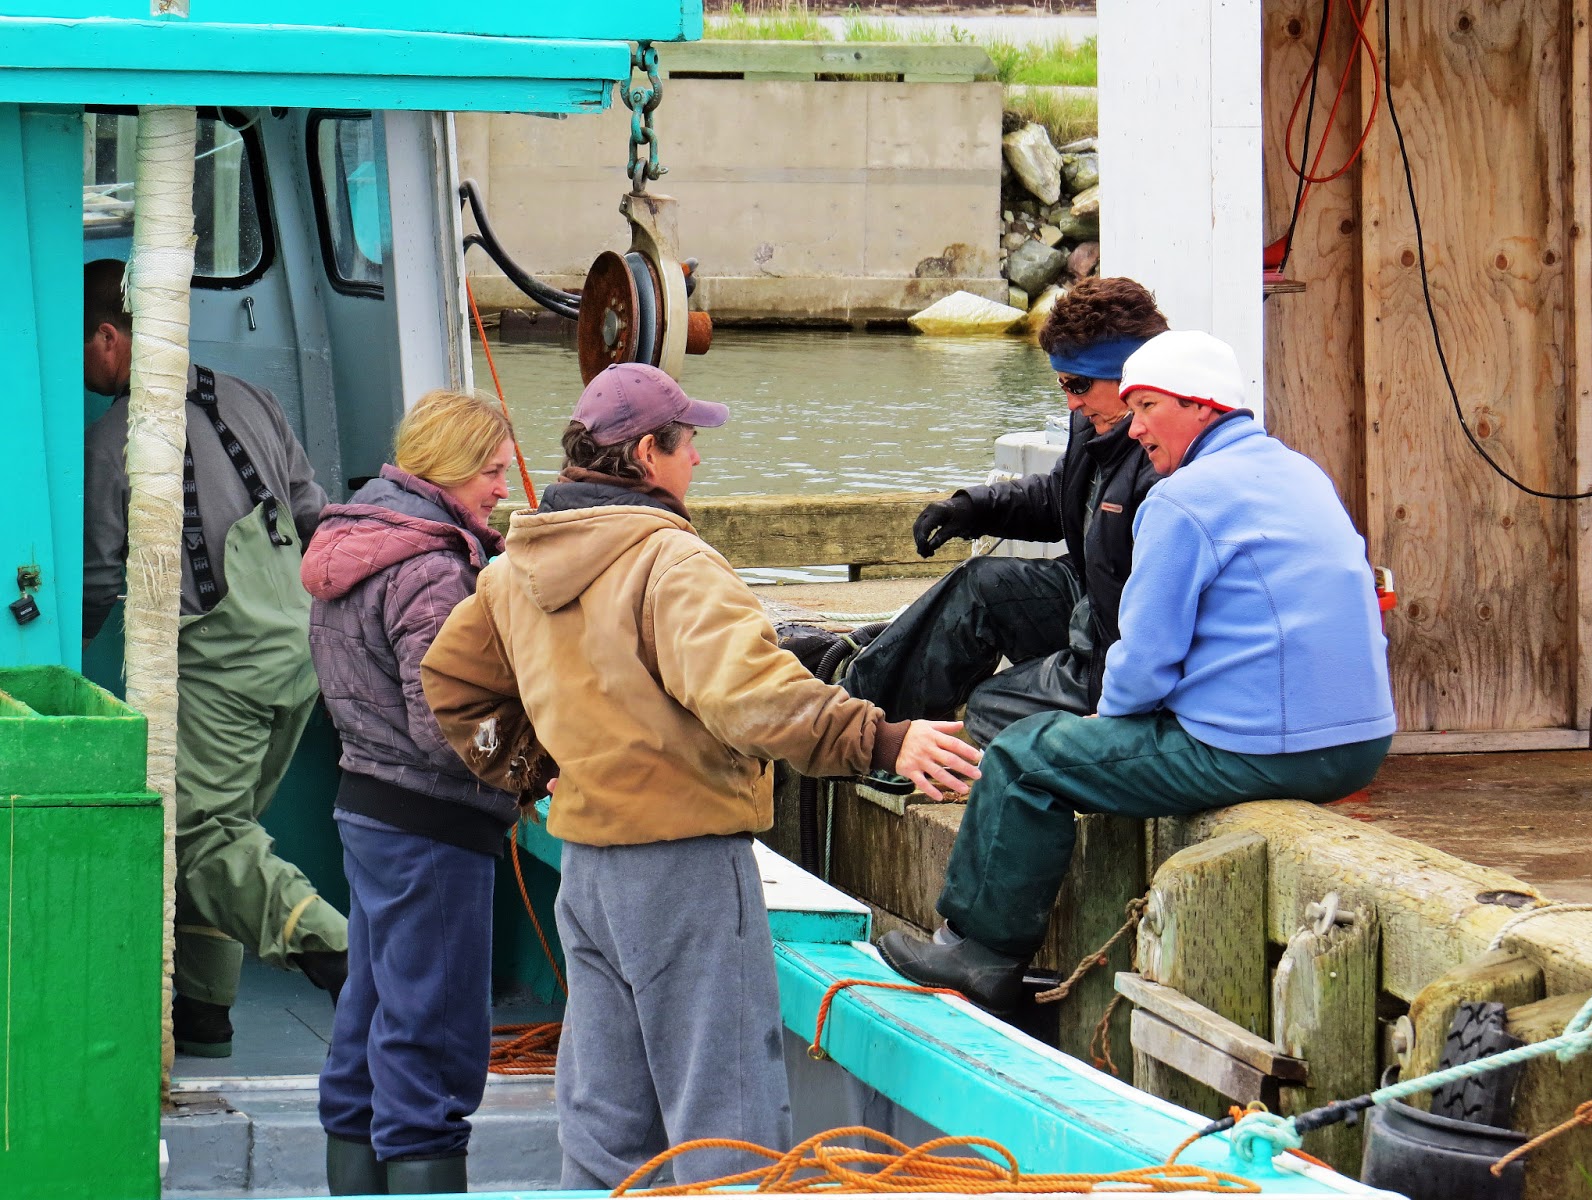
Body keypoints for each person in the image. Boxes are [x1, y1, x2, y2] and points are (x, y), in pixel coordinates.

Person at [419, 362, 984, 1190]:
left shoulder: (514, 568)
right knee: (729, 1122)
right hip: (684, 866)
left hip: (590, 869)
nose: (698, 462)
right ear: (649, 452)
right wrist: (882, 739)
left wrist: (534, 772)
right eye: (688, 445)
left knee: (604, 1124)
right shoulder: (670, 563)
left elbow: (455, 684)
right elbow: (753, 698)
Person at [877, 330, 1396, 1013]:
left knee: (1027, 753)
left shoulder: (1184, 499)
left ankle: (979, 953)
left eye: (1148, 406)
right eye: (1131, 405)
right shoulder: (1298, 473)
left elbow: (1145, 659)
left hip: (1273, 749)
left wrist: (1104, 721)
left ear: (1202, 406)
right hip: (1360, 747)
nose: (1137, 424)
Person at [81, 259, 348, 1057]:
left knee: (197, 836)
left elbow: (97, 577)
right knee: (225, 825)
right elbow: (312, 516)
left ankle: (340, 953)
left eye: (78, 347)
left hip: (222, 669)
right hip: (296, 656)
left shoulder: (115, 440)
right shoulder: (253, 400)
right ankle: (204, 1014)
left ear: (108, 337)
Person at [299, 390, 523, 1195]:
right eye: (493, 472)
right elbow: (451, 728)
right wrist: (535, 765)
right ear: (452, 469)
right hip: (434, 828)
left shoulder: (356, 537)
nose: (502, 488)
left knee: (369, 1020)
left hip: (368, 805)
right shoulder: (432, 570)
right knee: (432, 1040)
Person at [834, 277, 1167, 749]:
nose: (1071, 401)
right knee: (978, 585)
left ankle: (912, 745)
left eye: (1080, 385)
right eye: (1063, 385)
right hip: (1089, 589)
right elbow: (1057, 497)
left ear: (1131, 375)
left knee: (990, 704)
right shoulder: (1092, 424)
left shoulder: (1163, 455)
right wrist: (970, 508)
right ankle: (860, 726)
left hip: (1118, 636)